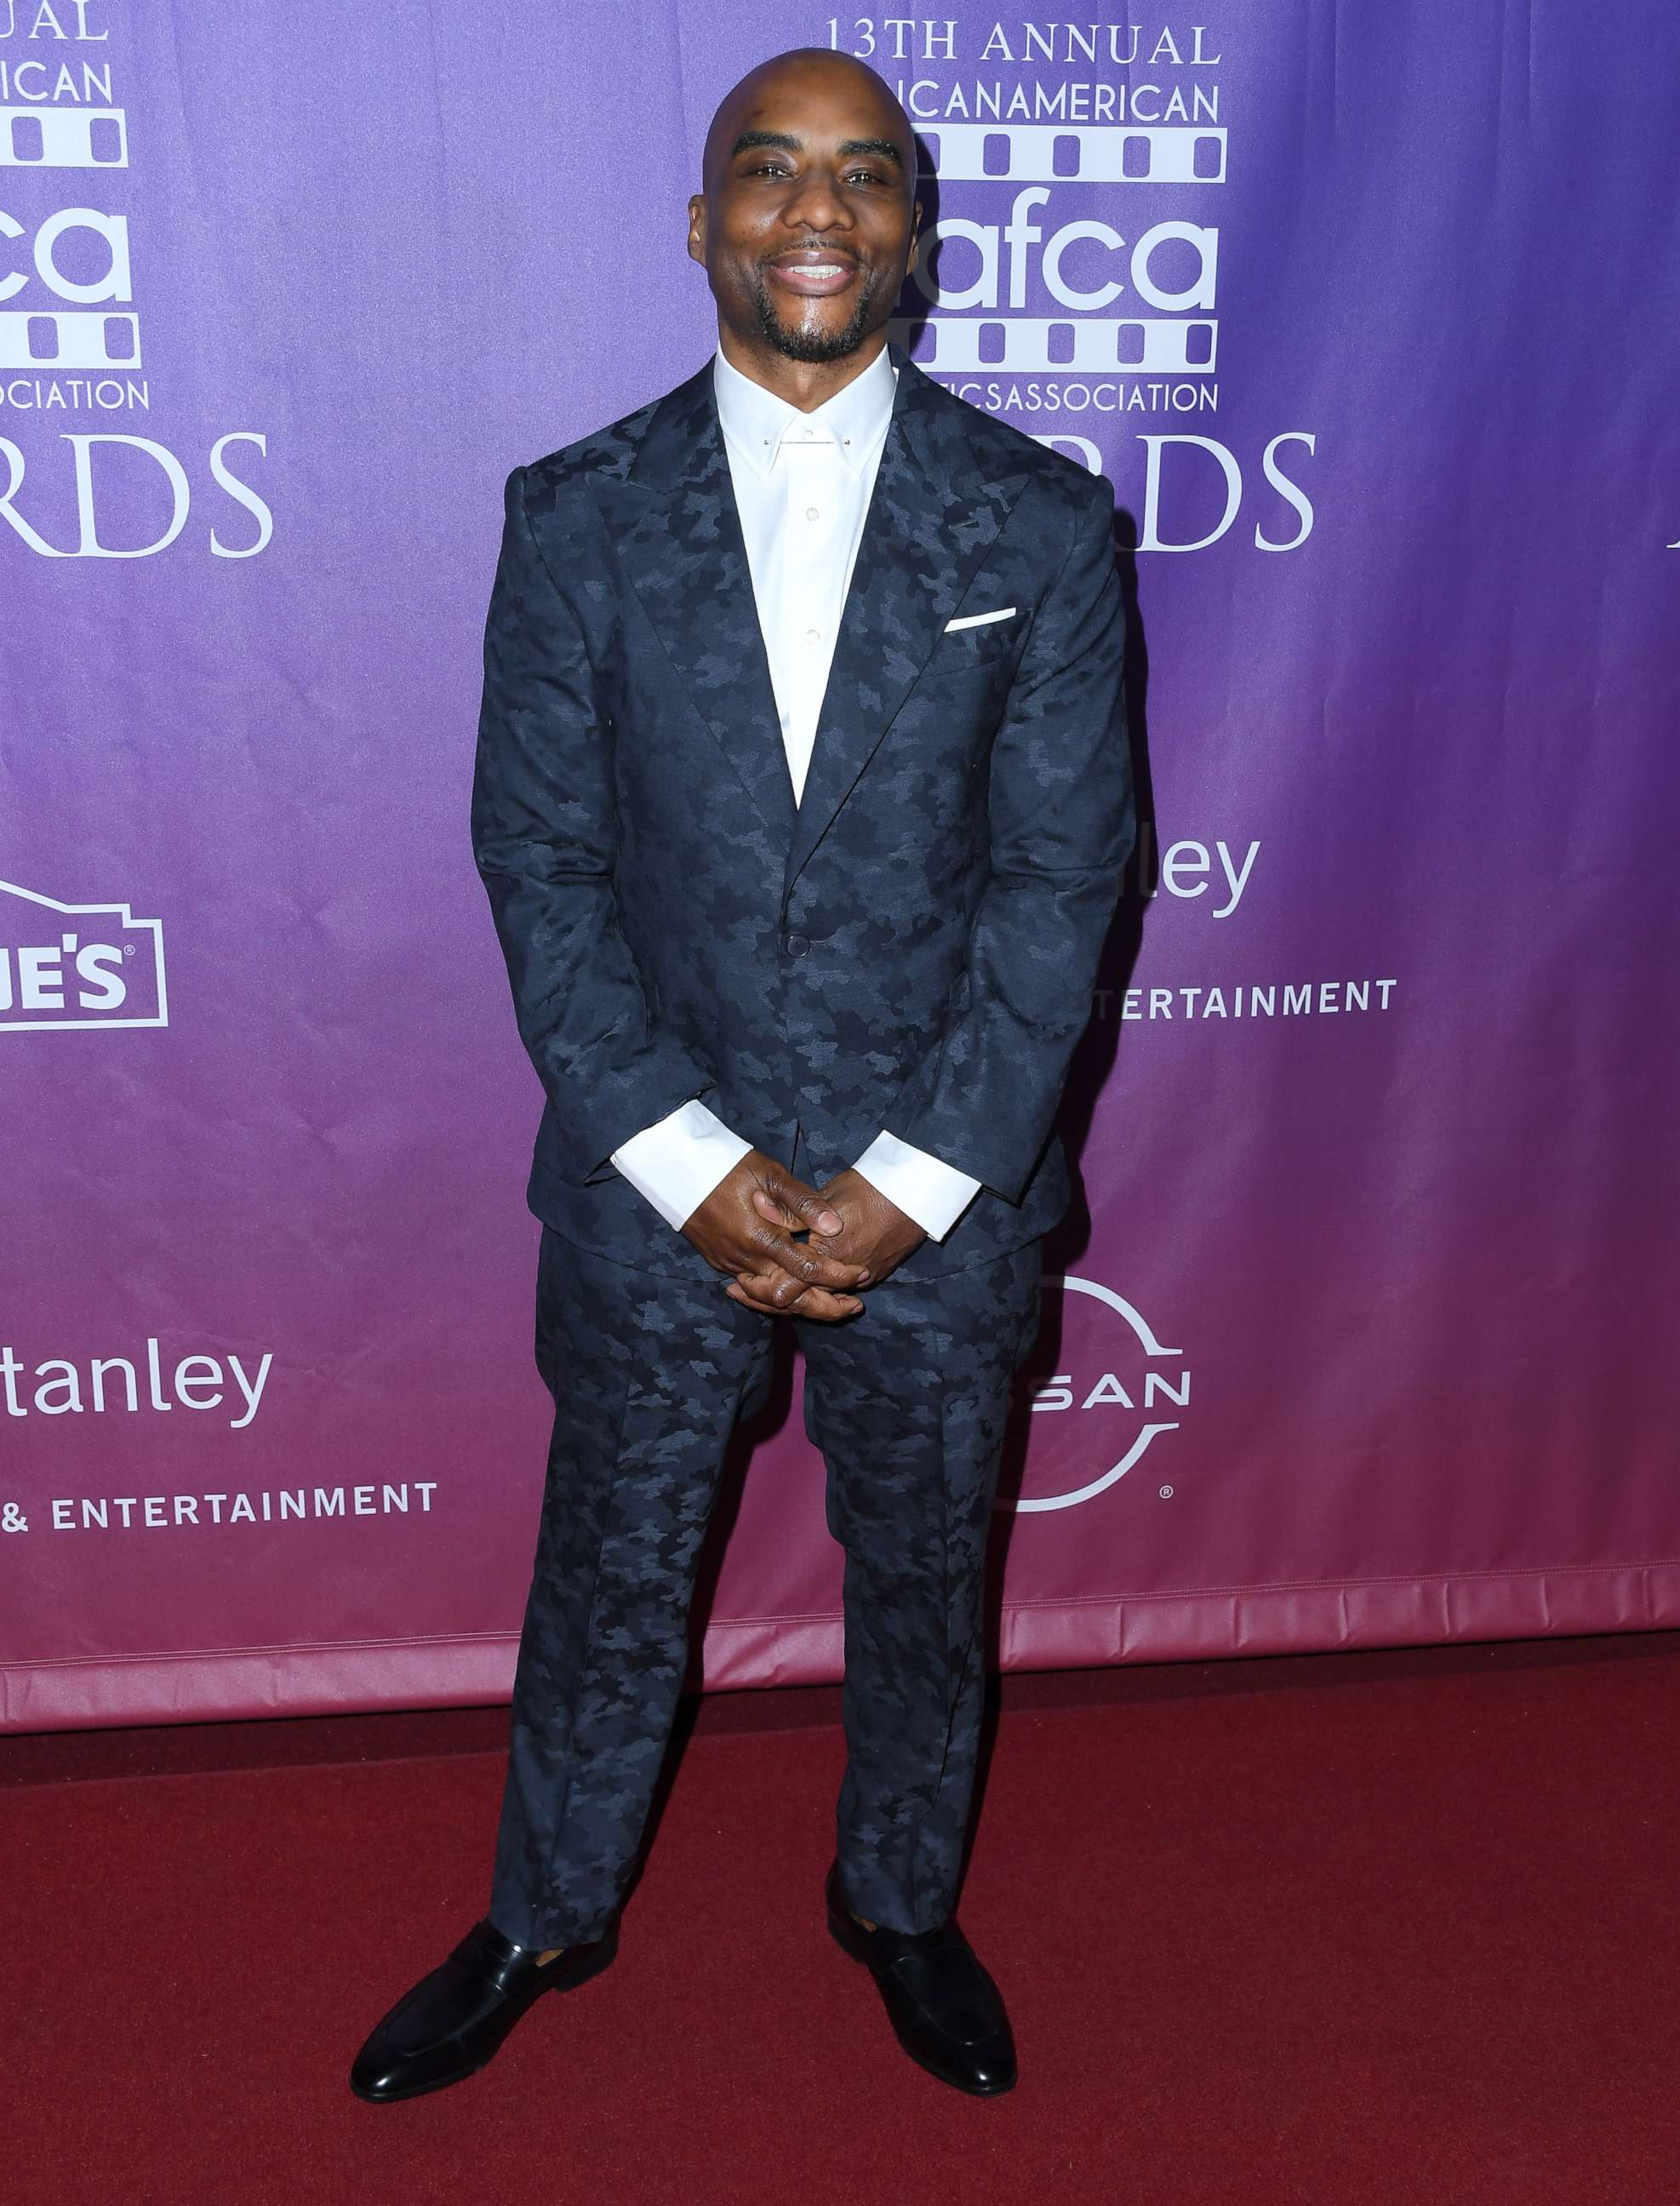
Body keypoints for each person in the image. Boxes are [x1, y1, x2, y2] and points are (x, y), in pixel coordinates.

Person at [350, 43, 1133, 2105]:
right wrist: (685, 1158)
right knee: (608, 1562)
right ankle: (544, 1910)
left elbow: (1065, 884)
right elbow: (542, 857)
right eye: (767, 172)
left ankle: (898, 1899)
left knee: (931, 1564)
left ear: (917, 236)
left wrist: (925, 1174)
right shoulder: (579, 515)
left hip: (938, 1206)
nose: (815, 210)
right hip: (646, 1187)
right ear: (699, 220)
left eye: (862, 177)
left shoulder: (1040, 526)